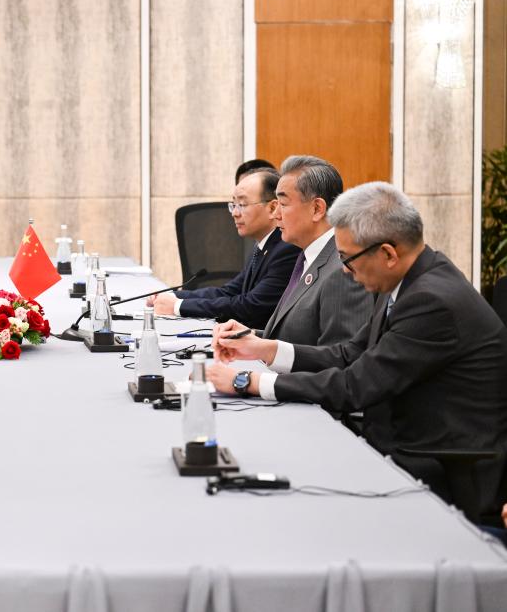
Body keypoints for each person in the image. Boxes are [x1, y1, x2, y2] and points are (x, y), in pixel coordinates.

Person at [208, 182, 507, 519]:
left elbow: (356, 386)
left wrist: (249, 382)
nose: (345, 271)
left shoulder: (432, 301)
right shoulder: (407, 278)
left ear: (388, 254)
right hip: (401, 446)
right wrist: (265, 349)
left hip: (440, 471)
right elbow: (350, 353)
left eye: (347, 259)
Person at [150, 169, 300, 328]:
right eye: (233, 205)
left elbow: (251, 306)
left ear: (272, 208)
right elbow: (228, 292)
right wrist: (173, 296)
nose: (234, 213)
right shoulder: (262, 245)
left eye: (242, 205)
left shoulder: (286, 249)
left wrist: (178, 306)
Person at [255, 155, 372, 345]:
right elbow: (294, 336)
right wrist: (248, 337)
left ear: (317, 209)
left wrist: (265, 358)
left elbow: (340, 356)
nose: (275, 215)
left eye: (283, 204)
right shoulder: (308, 256)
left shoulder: (342, 271)